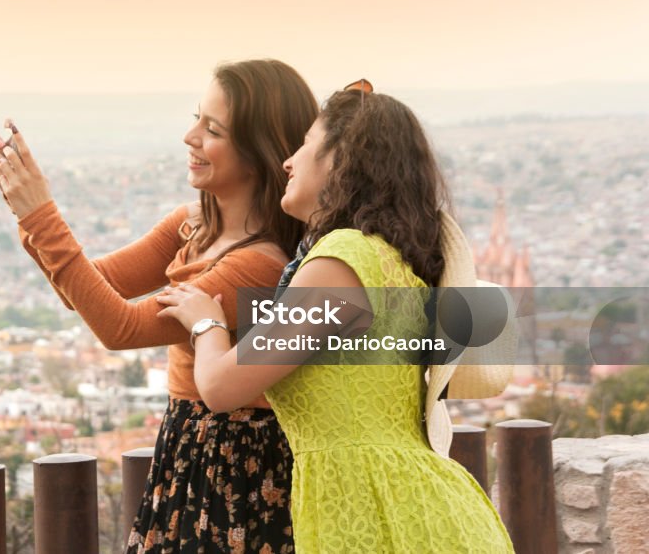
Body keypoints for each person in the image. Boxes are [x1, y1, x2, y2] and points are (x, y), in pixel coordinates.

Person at [156, 83, 515, 552]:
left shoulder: (341, 260)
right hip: (402, 504)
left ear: (339, 159)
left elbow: (222, 389)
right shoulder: (389, 258)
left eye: (304, 145)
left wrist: (206, 322)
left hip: (380, 509)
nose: (288, 161)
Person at [0, 59, 317, 553]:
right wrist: (29, 213)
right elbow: (86, 290)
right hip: (188, 449)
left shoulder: (260, 265)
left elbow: (120, 327)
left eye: (213, 129)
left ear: (259, 150)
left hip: (234, 465)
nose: (190, 137)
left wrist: (40, 213)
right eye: (196, 119)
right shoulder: (191, 224)